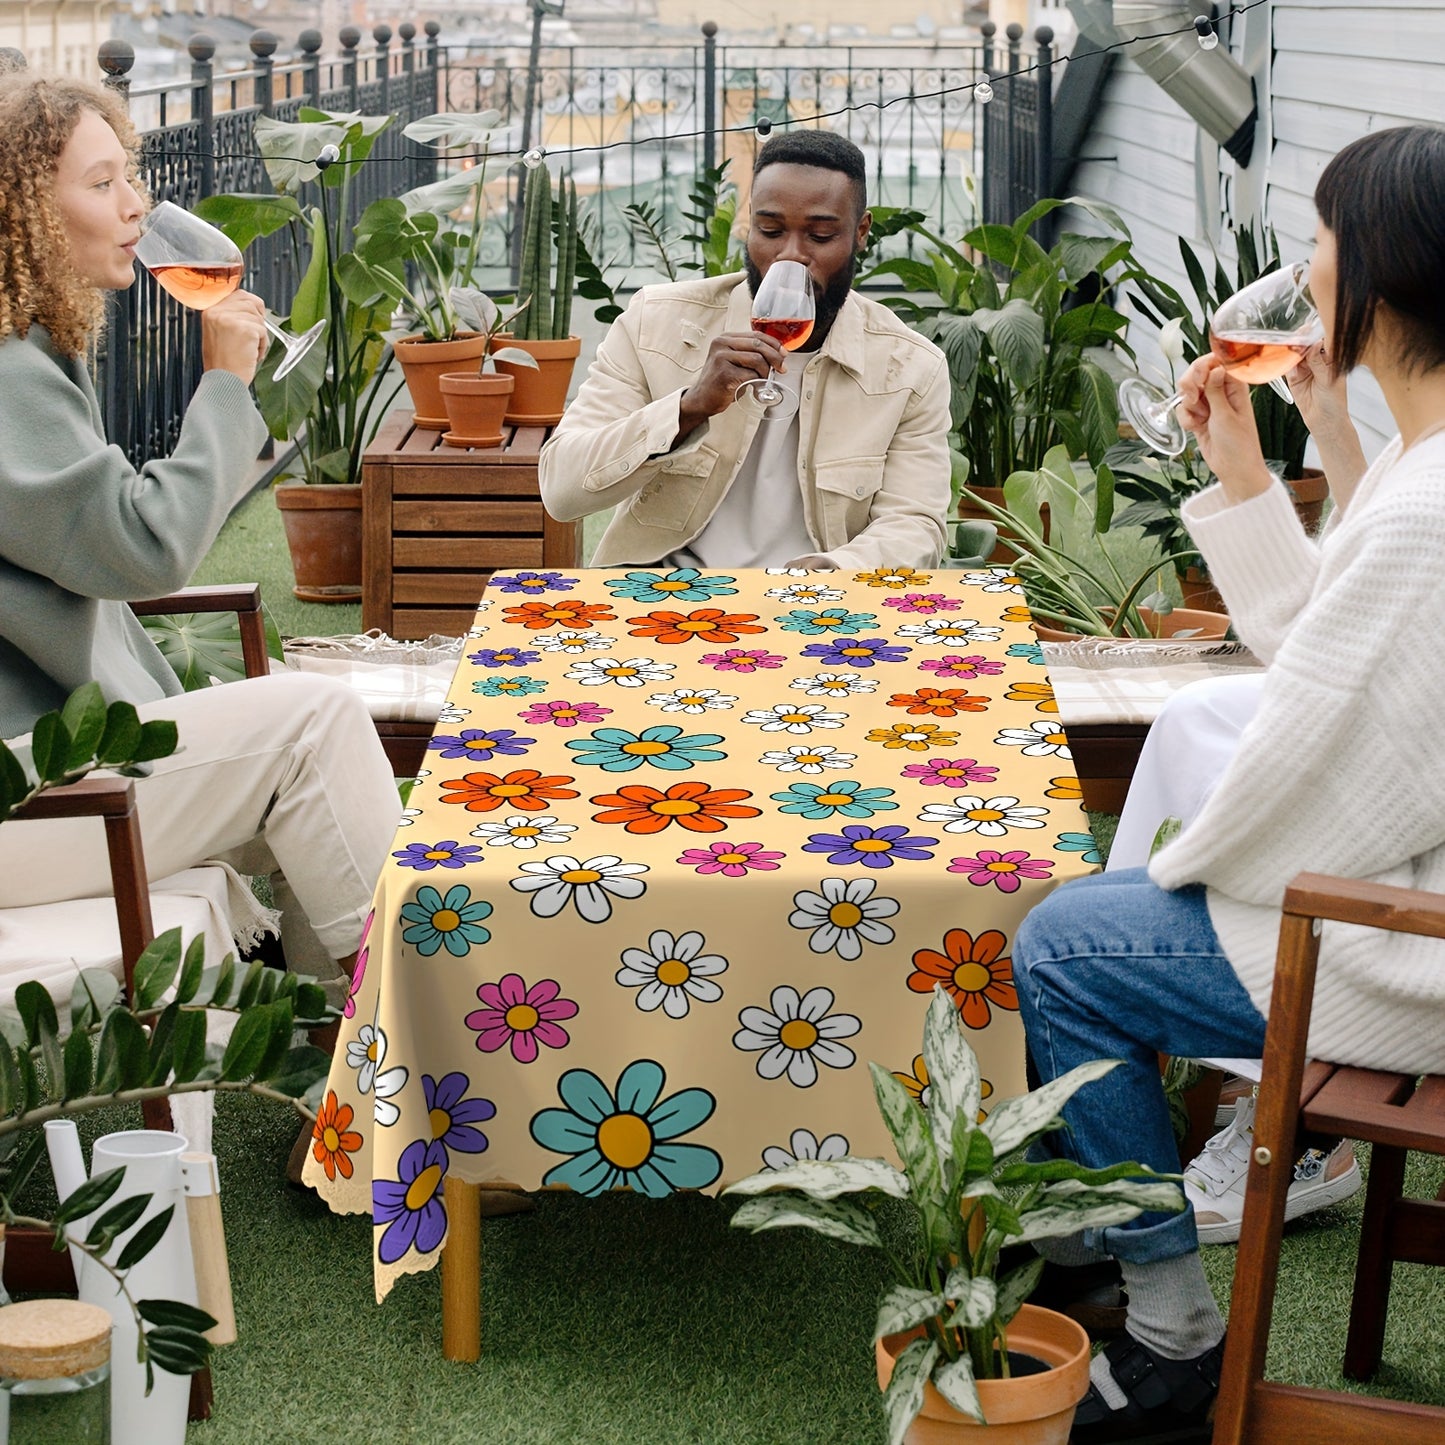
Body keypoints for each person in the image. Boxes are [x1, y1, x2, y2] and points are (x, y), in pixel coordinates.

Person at [1011, 123, 1445, 1443]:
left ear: (1369, 265)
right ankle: (1091, 1247)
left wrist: (1186, 871)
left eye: (1320, 239)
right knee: (1116, 906)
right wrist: (1272, 454)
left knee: (1070, 945)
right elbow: (1331, 646)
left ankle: (1166, 1330)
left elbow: (1326, 743)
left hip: (1405, 950)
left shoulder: (1432, 510)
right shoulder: (1423, 470)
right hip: (1406, 894)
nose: (1306, 268)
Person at [0, 75, 398, 1000]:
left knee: (323, 761)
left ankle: (348, 1050)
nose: (135, 203)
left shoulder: (31, 355)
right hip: (34, 795)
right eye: (101, 184)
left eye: (129, 175)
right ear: (23, 210)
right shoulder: (10, 377)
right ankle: (412, 1029)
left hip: (60, 776)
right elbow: (145, 549)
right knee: (314, 720)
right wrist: (224, 384)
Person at [538, 129, 952, 570]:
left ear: (860, 232)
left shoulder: (909, 368)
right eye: (770, 230)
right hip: (666, 600)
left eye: (820, 236)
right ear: (750, 223)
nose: (789, 256)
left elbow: (915, 523)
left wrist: (831, 573)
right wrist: (688, 409)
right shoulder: (654, 324)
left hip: (818, 606)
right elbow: (561, 490)